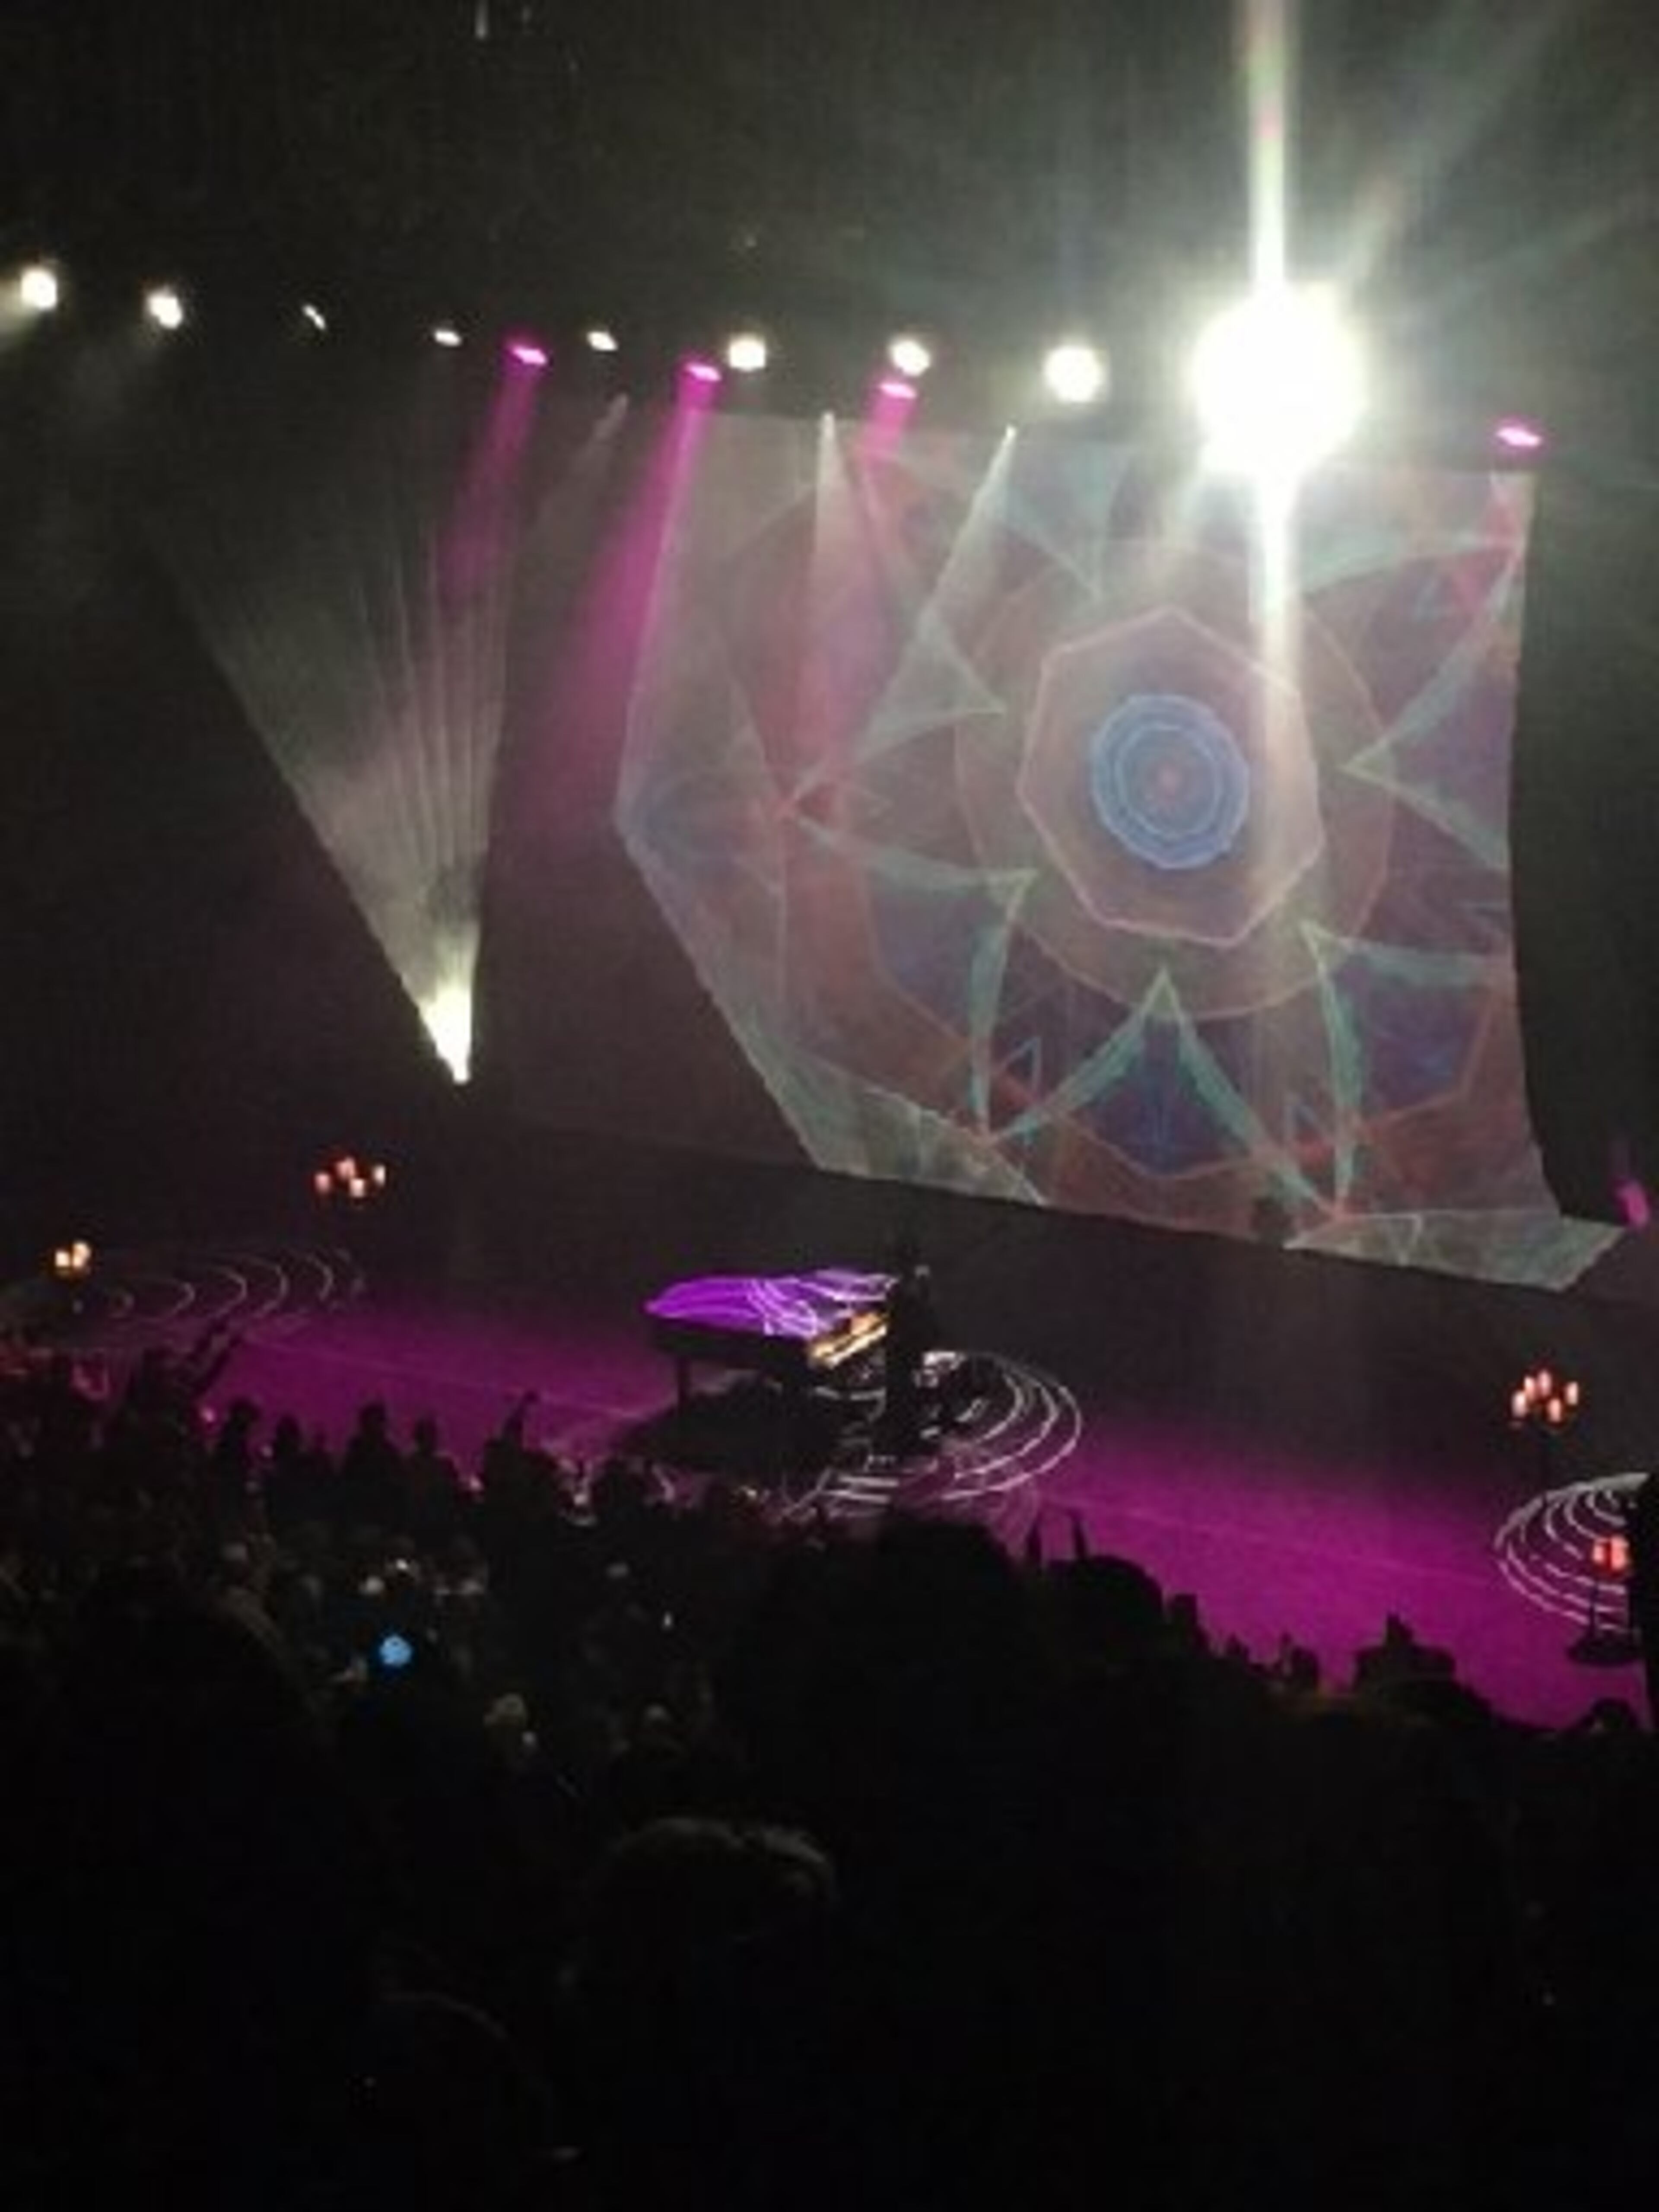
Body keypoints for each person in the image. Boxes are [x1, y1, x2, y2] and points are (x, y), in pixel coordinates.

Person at [880, 1236, 938, 1458]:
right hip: (901, 1349)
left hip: (908, 1348)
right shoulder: (899, 1289)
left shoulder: (910, 1285)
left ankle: (908, 1439)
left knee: (910, 1394)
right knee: (902, 1396)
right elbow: (905, 1314)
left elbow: (925, 1309)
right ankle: (901, 1442)